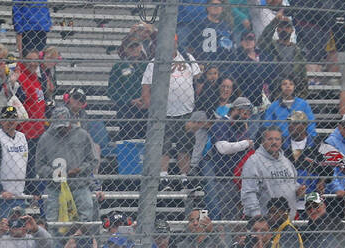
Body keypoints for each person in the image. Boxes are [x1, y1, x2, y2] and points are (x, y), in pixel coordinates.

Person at [141, 35, 201, 176]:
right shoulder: (155, 62)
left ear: (176, 42)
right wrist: (151, 107)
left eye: (173, 42)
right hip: (164, 112)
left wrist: (197, 98)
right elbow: (145, 86)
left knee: (185, 145)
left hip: (186, 110)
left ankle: (184, 177)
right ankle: (163, 176)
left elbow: (199, 79)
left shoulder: (187, 58)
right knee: (164, 145)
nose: (171, 45)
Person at [36, 105, 99, 223]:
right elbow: (39, 166)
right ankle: (56, 240)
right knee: (53, 222)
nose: (62, 130)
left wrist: (80, 169)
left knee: (85, 219)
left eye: (64, 127)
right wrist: (55, 173)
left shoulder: (82, 135)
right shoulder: (45, 138)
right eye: (59, 127)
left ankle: (80, 240)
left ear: (70, 121)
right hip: (54, 187)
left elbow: (93, 160)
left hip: (79, 185)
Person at [205, 95, 255, 220]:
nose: (246, 117)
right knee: (228, 216)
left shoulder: (242, 127)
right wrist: (245, 143)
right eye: (244, 113)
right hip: (224, 178)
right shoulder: (221, 123)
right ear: (236, 110)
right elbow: (223, 148)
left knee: (241, 217)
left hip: (240, 179)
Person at [239, 127, 300, 219]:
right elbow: (248, 192)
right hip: (266, 222)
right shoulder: (254, 161)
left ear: (281, 142)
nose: (274, 142)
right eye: (270, 139)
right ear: (262, 141)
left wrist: (299, 190)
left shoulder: (286, 161)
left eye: (277, 139)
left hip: (287, 220)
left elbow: (292, 183)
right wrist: (257, 216)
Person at [0, 105, 30, 219]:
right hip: (2, 196)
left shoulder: (22, 137)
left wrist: (32, 188)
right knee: (4, 228)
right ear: (1, 121)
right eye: (7, 118)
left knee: (19, 229)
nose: (10, 121)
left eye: (13, 118)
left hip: (19, 194)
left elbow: (28, 163)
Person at [107, 33, 148, 140]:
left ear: (140, 47)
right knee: (128, 139)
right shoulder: (119, 67)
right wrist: (130, 101)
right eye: (131, 47)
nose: (134, 49)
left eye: (136, 46)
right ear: (125, 49)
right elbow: (112, 91)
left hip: (146, 110)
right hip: (126, 111)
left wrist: (146, 99)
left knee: (147, 139)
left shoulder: (148, 65)